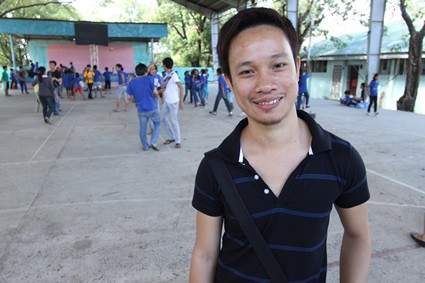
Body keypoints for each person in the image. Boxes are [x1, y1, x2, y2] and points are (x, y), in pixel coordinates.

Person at [189, 8, 371, 283]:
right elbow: (204, 253)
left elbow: (358, 235)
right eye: (247, 71)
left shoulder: (341, 158)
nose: (265, 84)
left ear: (297, 68)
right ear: (229, 82)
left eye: (278, 65)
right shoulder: (215, 167)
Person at [126, 63, 161, 151]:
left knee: (142, 129)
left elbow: (129, 97)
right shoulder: (149, 79)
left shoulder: (132, 82)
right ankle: (153, 142)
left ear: (136, 72)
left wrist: (135, 101)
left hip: (141, 109)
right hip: (152, 107)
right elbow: (155, 92)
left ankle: (145, 146)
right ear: (146, 72)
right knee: (158, 123)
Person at [161, 57, 184, 148]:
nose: (162, 66)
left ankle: (178, 141)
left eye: (163, 64)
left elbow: (181, 87)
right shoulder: (167, 76)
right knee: (164, 118)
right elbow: (164, 87)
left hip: (174, 102)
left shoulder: (174, 75)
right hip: (167, 101)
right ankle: (171, 137)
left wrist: (181, 101)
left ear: (165, 65)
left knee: (174, 121)